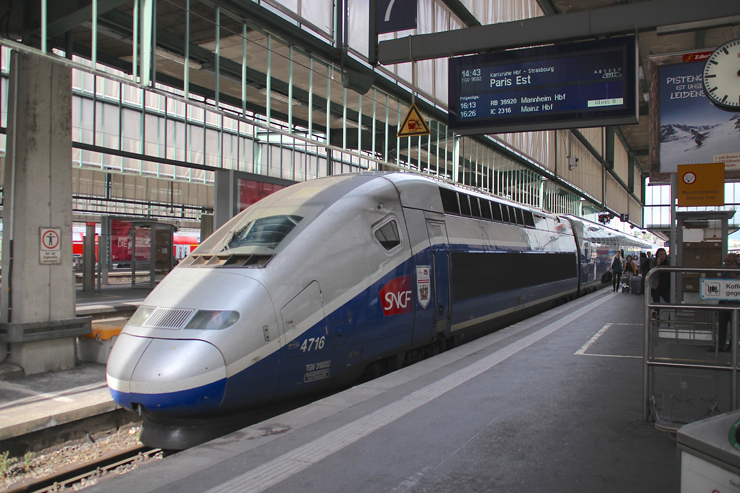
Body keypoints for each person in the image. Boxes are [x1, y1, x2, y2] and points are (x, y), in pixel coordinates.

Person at [713, 253, 740, 352]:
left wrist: (733, 273)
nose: (726, 263)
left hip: (735, 303)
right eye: (725, 261)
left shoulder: (737, 271)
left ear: (735, 263)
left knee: (735, 325)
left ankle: (733, 346)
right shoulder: (724, 270)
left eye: (728, 262)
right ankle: (720, 345)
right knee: (722, 323)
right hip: (724, 301)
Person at [649, 248, 670, 317]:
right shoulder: (653, 262)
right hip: (656, 287)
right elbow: (653, 275)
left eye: (664, 254)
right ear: (657, 255)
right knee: (657, 306)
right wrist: (658, 265)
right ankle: (656, 321)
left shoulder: (668, 263)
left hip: (665, 287)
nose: (662, 256)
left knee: (671, 304)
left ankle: (670, 322)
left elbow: (672, 276)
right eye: (660, 254)